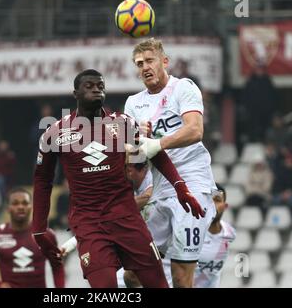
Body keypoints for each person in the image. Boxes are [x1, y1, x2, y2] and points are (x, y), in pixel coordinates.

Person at [33, 69, 203, 288]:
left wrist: (180, 187)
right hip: (89, 223)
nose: (96, 89)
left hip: (126, 218)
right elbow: (42, 180)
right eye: (90, 85)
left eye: (101, 86)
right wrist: (38, 228)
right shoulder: (56, 133)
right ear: (75, 93)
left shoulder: (122, 123)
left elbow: (155, 153)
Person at [124, 38, 216, 288]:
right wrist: (135, 141)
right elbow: (134, 157)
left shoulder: (183, 88)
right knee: (132, 274)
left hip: (192, 186)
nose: (144, 67)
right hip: (160, 189)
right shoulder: (133, 103)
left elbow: (195, 131)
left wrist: (157, 143)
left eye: (150, 60)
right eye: (139, 63)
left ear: (165, 61)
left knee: (180, 276)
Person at [0, 187, 65, 288]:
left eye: (25, 203)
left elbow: (57, 266)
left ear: (31, 207)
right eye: (15, 203)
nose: (20, 207)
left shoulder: (46, 235)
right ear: (8, 208)